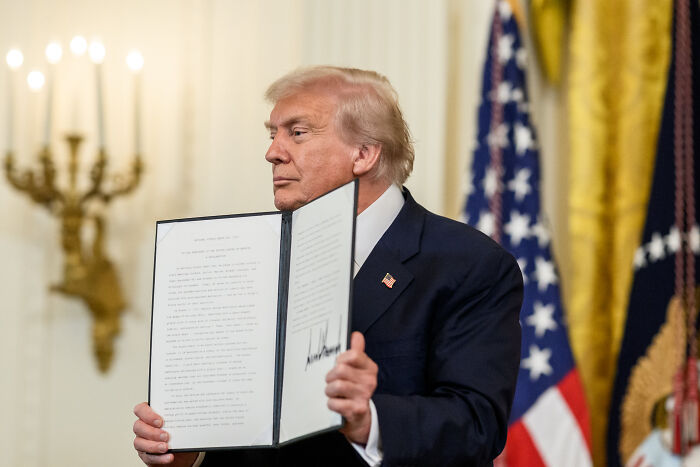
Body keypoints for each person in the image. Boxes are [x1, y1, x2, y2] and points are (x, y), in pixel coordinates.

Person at [133, 66, 523, 467]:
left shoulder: (468, 264)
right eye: (273, 134)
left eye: (297, 133)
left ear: (364, 154)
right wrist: (190, 453)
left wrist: (367, 420)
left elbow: (477, 426)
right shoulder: (252, 261)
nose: (272, 152)